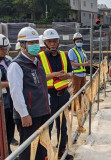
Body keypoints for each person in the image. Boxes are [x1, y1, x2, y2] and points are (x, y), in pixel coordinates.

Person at [7, 27, 51, 160]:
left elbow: (43, 87)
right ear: (22, 45)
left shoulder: (37, 62)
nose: (35, 46)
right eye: (31, 43)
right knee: (28, 151)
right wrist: (24, 115)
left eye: (36, 42)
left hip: (42, 113)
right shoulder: (16, 65)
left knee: (41, 150)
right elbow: (16, 93)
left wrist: (47, 106)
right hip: (29, 117)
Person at [38, 29, 73, 160]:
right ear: (45, 42)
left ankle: (61, 149)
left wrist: (67, 75)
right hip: (48, 96)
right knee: (48, 125)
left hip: (63, 95)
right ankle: (45, 154)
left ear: (58, 42)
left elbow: (71, 73)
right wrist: (53, 75)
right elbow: (38, 77)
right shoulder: (40, 57)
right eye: (50, 41)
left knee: (62, 124)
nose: (53, 44)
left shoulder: (64, 55)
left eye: (55, 41)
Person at [0, 34, 15, 160]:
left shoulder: (8, 60)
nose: (5, 51)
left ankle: (6, 152)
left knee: (10, 128)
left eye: (6, 48)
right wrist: (11, 83)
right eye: (2, 49)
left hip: (9, 101)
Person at [68, 33, 90, 111]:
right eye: (78, 41)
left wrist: (87, 63)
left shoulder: (83, 51)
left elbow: (85, 60)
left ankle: (79, 107)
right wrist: (83, 64)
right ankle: (74, 109)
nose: (79, 42)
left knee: (81, 92)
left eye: (80, 41)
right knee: (76, 92)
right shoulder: (72, 51)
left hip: (83, 75)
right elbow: (71, 63)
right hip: (76, 75)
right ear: (74, 42)